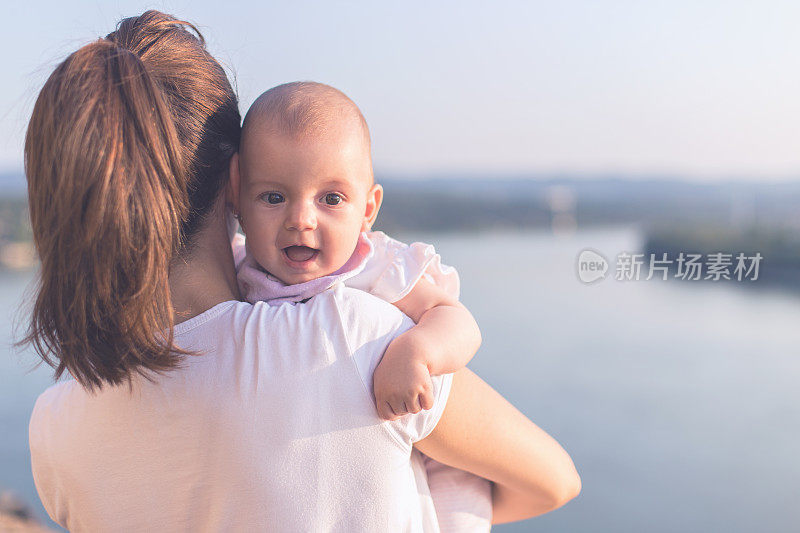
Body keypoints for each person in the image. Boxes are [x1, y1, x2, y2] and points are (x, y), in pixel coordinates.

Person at [23, 10, 581, 532]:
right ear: (233, 184)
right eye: (276, 193)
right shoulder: (349, 341)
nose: (301, 220)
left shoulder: (54, 429)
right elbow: (555, 480)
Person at [230, 81, 490, 531]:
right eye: (274, 197)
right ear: (236, 195)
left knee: (459, 502)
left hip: (430, 459)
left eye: (331, 199)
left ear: (368, 209)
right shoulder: (234, 266)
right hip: (326, 477)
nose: (301, 219)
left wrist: (416, 352)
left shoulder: (375, 269)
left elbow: (458, 321)